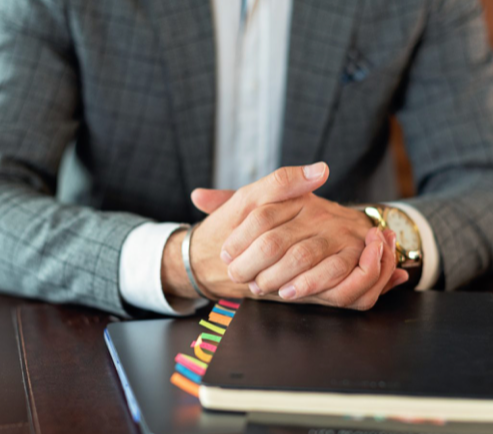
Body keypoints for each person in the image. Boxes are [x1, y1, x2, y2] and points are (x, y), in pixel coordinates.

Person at [0, 0, 492, 318]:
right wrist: (179, 261)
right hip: (109, 316)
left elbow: (480, 175)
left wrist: (378, 235)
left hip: (347, 321)